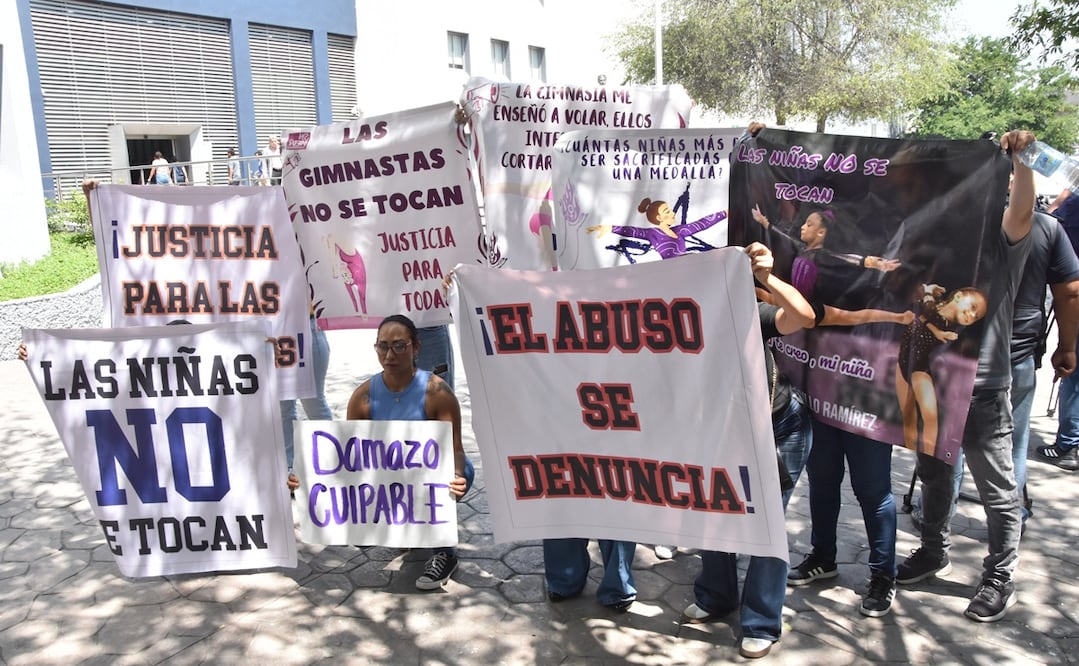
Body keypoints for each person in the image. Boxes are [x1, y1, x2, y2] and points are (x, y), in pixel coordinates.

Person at [896, 130, 1037, 623]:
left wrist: (1021, 161)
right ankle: (932, 550)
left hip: (981, 388)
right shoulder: (929, 241)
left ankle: (1000, 575)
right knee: (934, 474)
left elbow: (1021, 210)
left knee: (998, 490)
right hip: (928, 379)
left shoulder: (1000, 238)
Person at [681, 242, 815, 659]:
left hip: (778, 430)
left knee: (765, 523)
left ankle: (760, 619)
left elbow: (804, 317)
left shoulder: (748, 316)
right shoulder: (673, 326)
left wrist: (767, 278)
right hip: (722, 432)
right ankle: (716, 595)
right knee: (717, 511)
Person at [345, 314, 473, 590]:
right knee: (363, 532)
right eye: (383, 346)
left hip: (429, 476)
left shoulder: (436, 392)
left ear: (416, 347)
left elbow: (455, 449)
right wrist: (306, 479)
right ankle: (403, 526)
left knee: (454, 475)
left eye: (399, 346)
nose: (390, 354)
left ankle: (444, 551)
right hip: (391, 480)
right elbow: (351, 460)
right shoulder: (363, 397)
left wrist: (458, 476)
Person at [895, 284, 989, 457]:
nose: (971, 315)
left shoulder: (949, 324)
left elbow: (926, 314)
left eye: (975, 317)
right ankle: (912, 448)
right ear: (959, 297)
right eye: (973, 307)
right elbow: (924, 314)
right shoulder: (936, 309)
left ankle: (930, 455)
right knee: (908, 414)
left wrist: (929, 292)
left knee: (930, 415)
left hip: (919, 367)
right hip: (902, 361)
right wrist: (929, 290)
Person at [278, 311, 335, 492]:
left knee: (314, 404)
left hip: (307, 330)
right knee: (283, 407)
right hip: (275, 334)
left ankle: (331, 465)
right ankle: (289, 470)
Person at [585, 195, 726, 260]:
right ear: (658, 218)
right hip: (670, 273)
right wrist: (609, 228)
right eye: (667, 212)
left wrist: (725, 213)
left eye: (670, 210)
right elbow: (632, 231)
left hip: (687, 269)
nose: (672, 213)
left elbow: (701, 224)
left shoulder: (679, 231)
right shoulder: (653, 234)